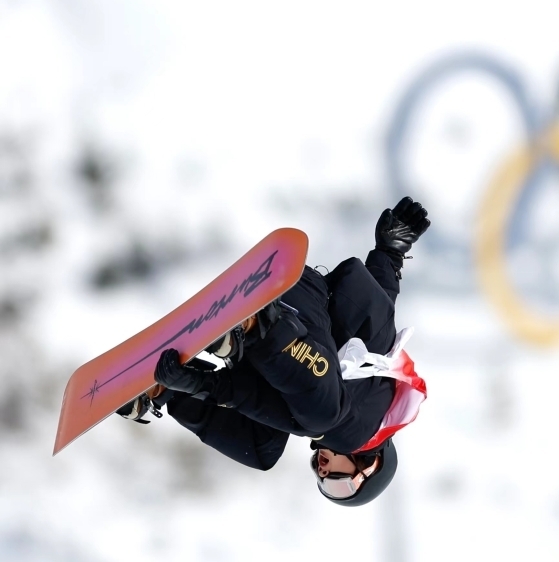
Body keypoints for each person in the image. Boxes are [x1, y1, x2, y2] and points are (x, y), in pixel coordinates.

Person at [117, 197, 430, 507]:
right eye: (340, 484)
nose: (323, 474)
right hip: (296, 308)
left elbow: (377, 311)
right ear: (371, 464)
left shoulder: (374, 393)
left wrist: (391, 250)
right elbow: (371, 316)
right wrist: (205, 383)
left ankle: (168, 388)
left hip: (287, 347)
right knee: (321, 418)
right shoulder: (356, 432)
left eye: (322, 483)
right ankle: (256, 328)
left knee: (262, 450)